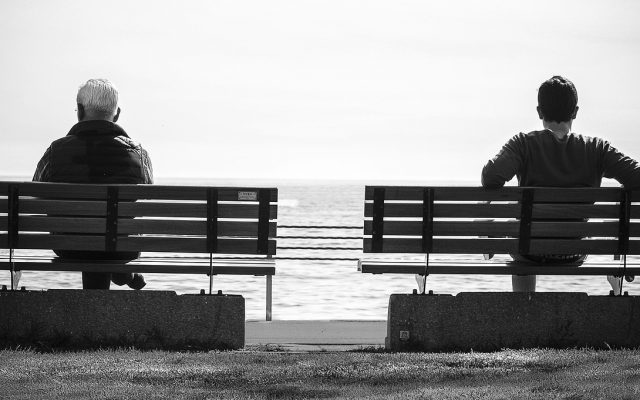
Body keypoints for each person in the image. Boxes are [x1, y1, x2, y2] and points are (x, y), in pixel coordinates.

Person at [481, 75, 640, 293]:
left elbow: (490, 177)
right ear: (575, 112)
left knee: (515, 230)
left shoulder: (523, 144)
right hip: (574, 251)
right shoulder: (597, 149)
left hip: (529, 250)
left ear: (539, 112)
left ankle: (523, 303)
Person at [33, 78, 153, 290]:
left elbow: (36, 196)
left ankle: (118, 277)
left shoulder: (55, 151)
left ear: (79, 111)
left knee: (92, 237)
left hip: (69, 246)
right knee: (109, 238)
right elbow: (146, 199)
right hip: (122, 247)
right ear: (116, 114)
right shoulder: (138, 153)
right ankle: (122, 272)